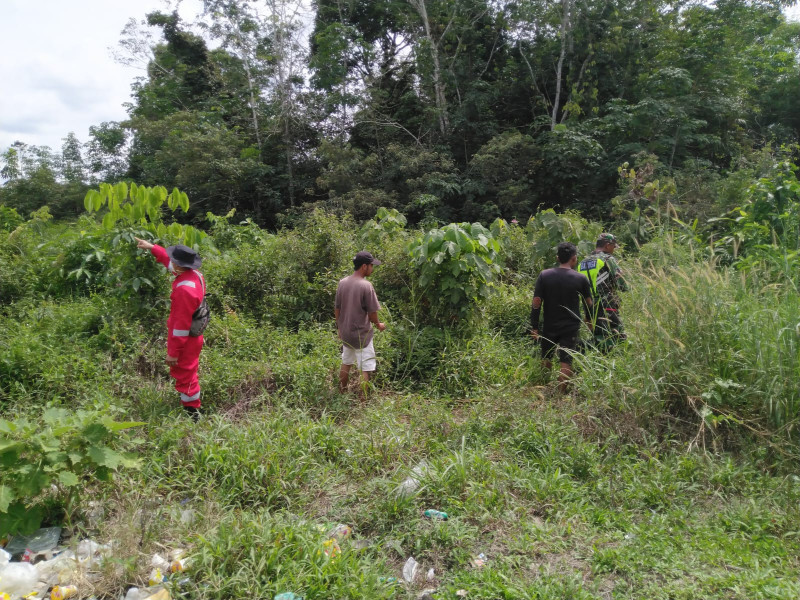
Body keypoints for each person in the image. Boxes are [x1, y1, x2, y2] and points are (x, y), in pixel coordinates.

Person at [134, 237, 207, 420]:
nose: (171, 263)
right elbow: (169, 262)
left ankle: (193, 414)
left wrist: (174, 352)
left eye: (173, 261)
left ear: (179, 266)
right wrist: (152, 247)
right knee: (188, 371)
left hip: (186, 340)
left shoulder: (184, 290)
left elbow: (180, 326)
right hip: (194, 335)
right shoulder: (194, 275)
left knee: (185, 373)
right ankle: (191, 406)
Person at [530, 242, 593, 392]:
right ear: (574, 258)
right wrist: (589, 320)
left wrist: (534, 326)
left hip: (549, 325)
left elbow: (536, 303)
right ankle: (560, 393)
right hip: (571, 327)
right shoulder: (581, 278)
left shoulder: (545, 275)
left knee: (546, 356)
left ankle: (543, 387)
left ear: (558, 258)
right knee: (566, 360)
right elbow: (589, 303)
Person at [335, 251, 386, 398]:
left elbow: (337, 309)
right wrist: (378, 324)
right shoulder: (366, 286)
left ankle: (341, 393)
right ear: (364, 266)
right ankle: (363, 401)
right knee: (365, 368)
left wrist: (340, 328)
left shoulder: (342, 282)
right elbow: (372, 313)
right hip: (362, 335)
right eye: (371, 265)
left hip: (346, 333)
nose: (372, 269)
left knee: (346, 363)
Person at [578, 233, 628, 351]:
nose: (614, 250)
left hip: (590, 305)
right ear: (607, 245)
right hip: (607, 303)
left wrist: (587, 314)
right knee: (618, 335)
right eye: (613, 246)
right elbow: (622, 284)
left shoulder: (582, 263)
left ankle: (596, 358)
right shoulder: (607, 259)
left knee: (599, 336)